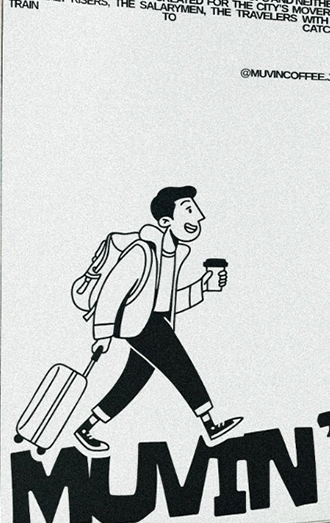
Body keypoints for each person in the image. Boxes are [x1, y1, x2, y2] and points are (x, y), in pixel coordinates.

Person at [72, 185, 241, 453]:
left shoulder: (175, 253)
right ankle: (210, 425)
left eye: (196, 210)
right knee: (181, 367)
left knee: (132, 380)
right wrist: (103, 334)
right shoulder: (142, 251)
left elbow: (168, 301)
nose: (199, 216)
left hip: (156, 321)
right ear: (165, 221)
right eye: (188, 210)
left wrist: (203, 287)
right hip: (139, 325)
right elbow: (112, 292)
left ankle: (86, 428)